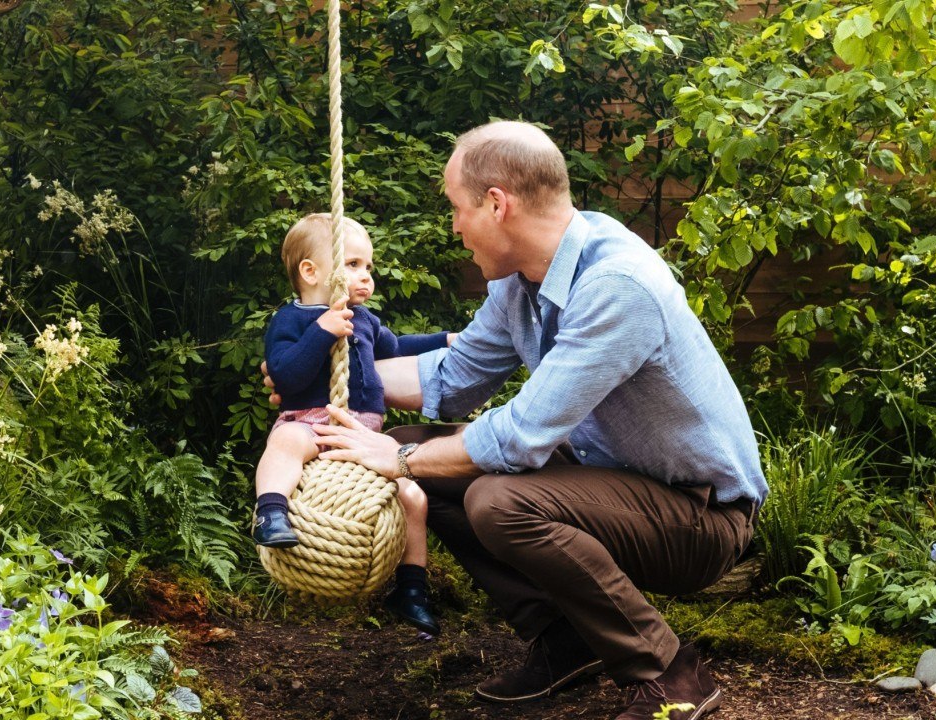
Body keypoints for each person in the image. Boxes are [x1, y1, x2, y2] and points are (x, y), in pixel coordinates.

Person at [286, 121, 769, 720]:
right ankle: (565, 639)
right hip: (610, 479)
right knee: (412, 450)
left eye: (457, 209)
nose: (455, 226)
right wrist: (309, 377)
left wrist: (401, 459)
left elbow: (521, 435)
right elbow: (453, 376)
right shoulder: (523, 280)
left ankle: (670, 674)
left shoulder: (616, 285)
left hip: (698, 516)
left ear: (496, 204)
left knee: (495, 498)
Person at [254, 212, 453, 636]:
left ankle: (412, 588)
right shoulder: (290, 321)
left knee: (412, 496)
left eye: (369, 267)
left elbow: (397, 347)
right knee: (286, 440)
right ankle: (270, 512)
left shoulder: (363, 319)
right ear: (310, 272)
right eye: (353, 264)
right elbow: (286, 375)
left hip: (363, 436)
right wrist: (322, 332)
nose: (366, 277)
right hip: (312, 424)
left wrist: (445, 339)